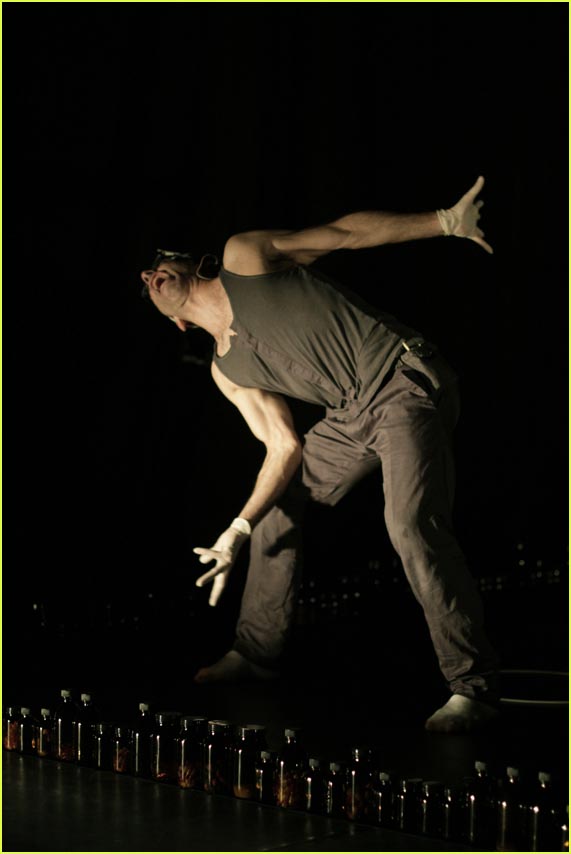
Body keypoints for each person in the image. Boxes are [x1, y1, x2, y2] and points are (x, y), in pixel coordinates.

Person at [140, 176, 500, 733]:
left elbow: (343, 233)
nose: (151, 273)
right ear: (176, 322)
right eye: (145, 279)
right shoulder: (226, 372)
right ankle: (257, 653)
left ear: (191, 264)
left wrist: (445, 222)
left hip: (402, 381)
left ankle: (472, 687)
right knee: (276, 502)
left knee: (410, 524)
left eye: (159, 262)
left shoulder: (245, 257)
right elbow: (283, 448)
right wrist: (238, 529)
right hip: (352, 414)